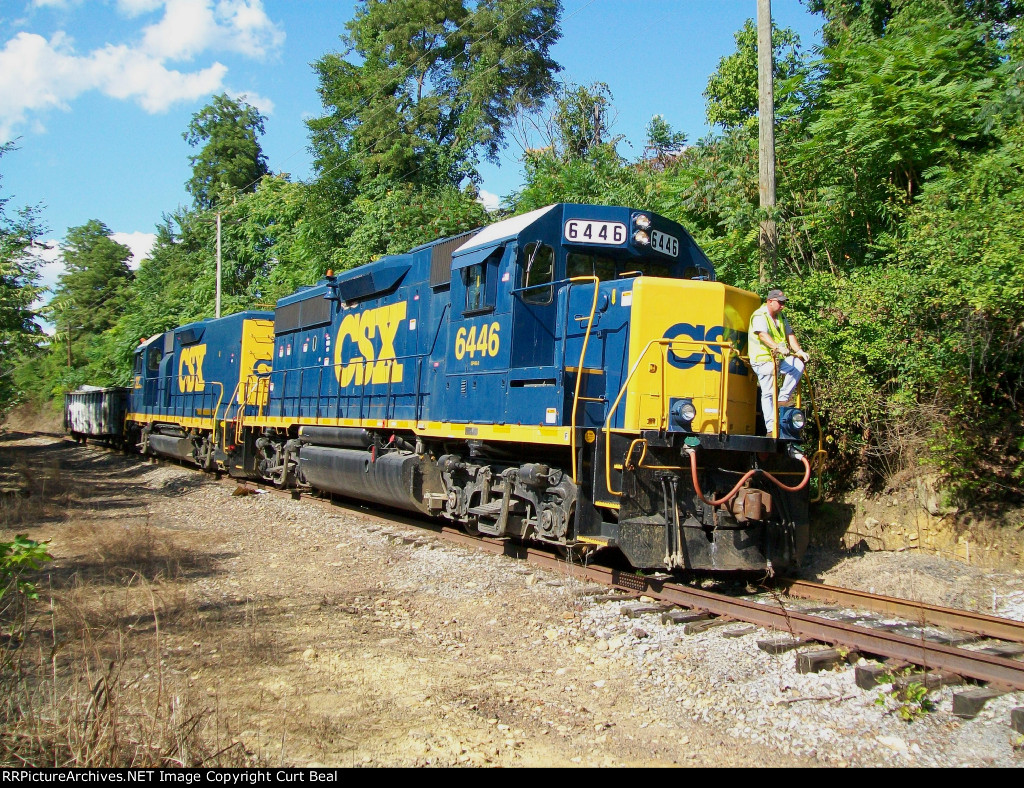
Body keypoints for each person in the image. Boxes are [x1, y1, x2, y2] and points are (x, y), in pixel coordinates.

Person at [747, 289, 810, 435]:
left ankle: (783, 398)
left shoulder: (781, 316)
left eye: (784, 303)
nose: (782, 306)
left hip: (777, 360)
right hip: (762, 360)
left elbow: (790, 334)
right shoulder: (759, 315)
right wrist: (778, 347)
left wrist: (799, 351)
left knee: (798, 365)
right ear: (770, 301)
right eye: (780, 303)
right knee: (768, 392)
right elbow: (762, 335)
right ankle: (771, 428)